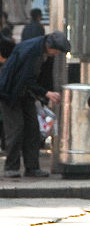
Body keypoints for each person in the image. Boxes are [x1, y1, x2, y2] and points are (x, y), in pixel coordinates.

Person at [0, 31, 70, 177]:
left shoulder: (43, 51)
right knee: (16, 129)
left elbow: (42, 77)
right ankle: (10, 167)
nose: (56, 54)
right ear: (50, 46)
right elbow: (25, 78)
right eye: (56, 51)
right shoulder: (31, 50)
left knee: (33, 129)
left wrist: (45, 95)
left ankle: (32, 167)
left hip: (26, 94)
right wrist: (46, 93)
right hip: (10, 92)